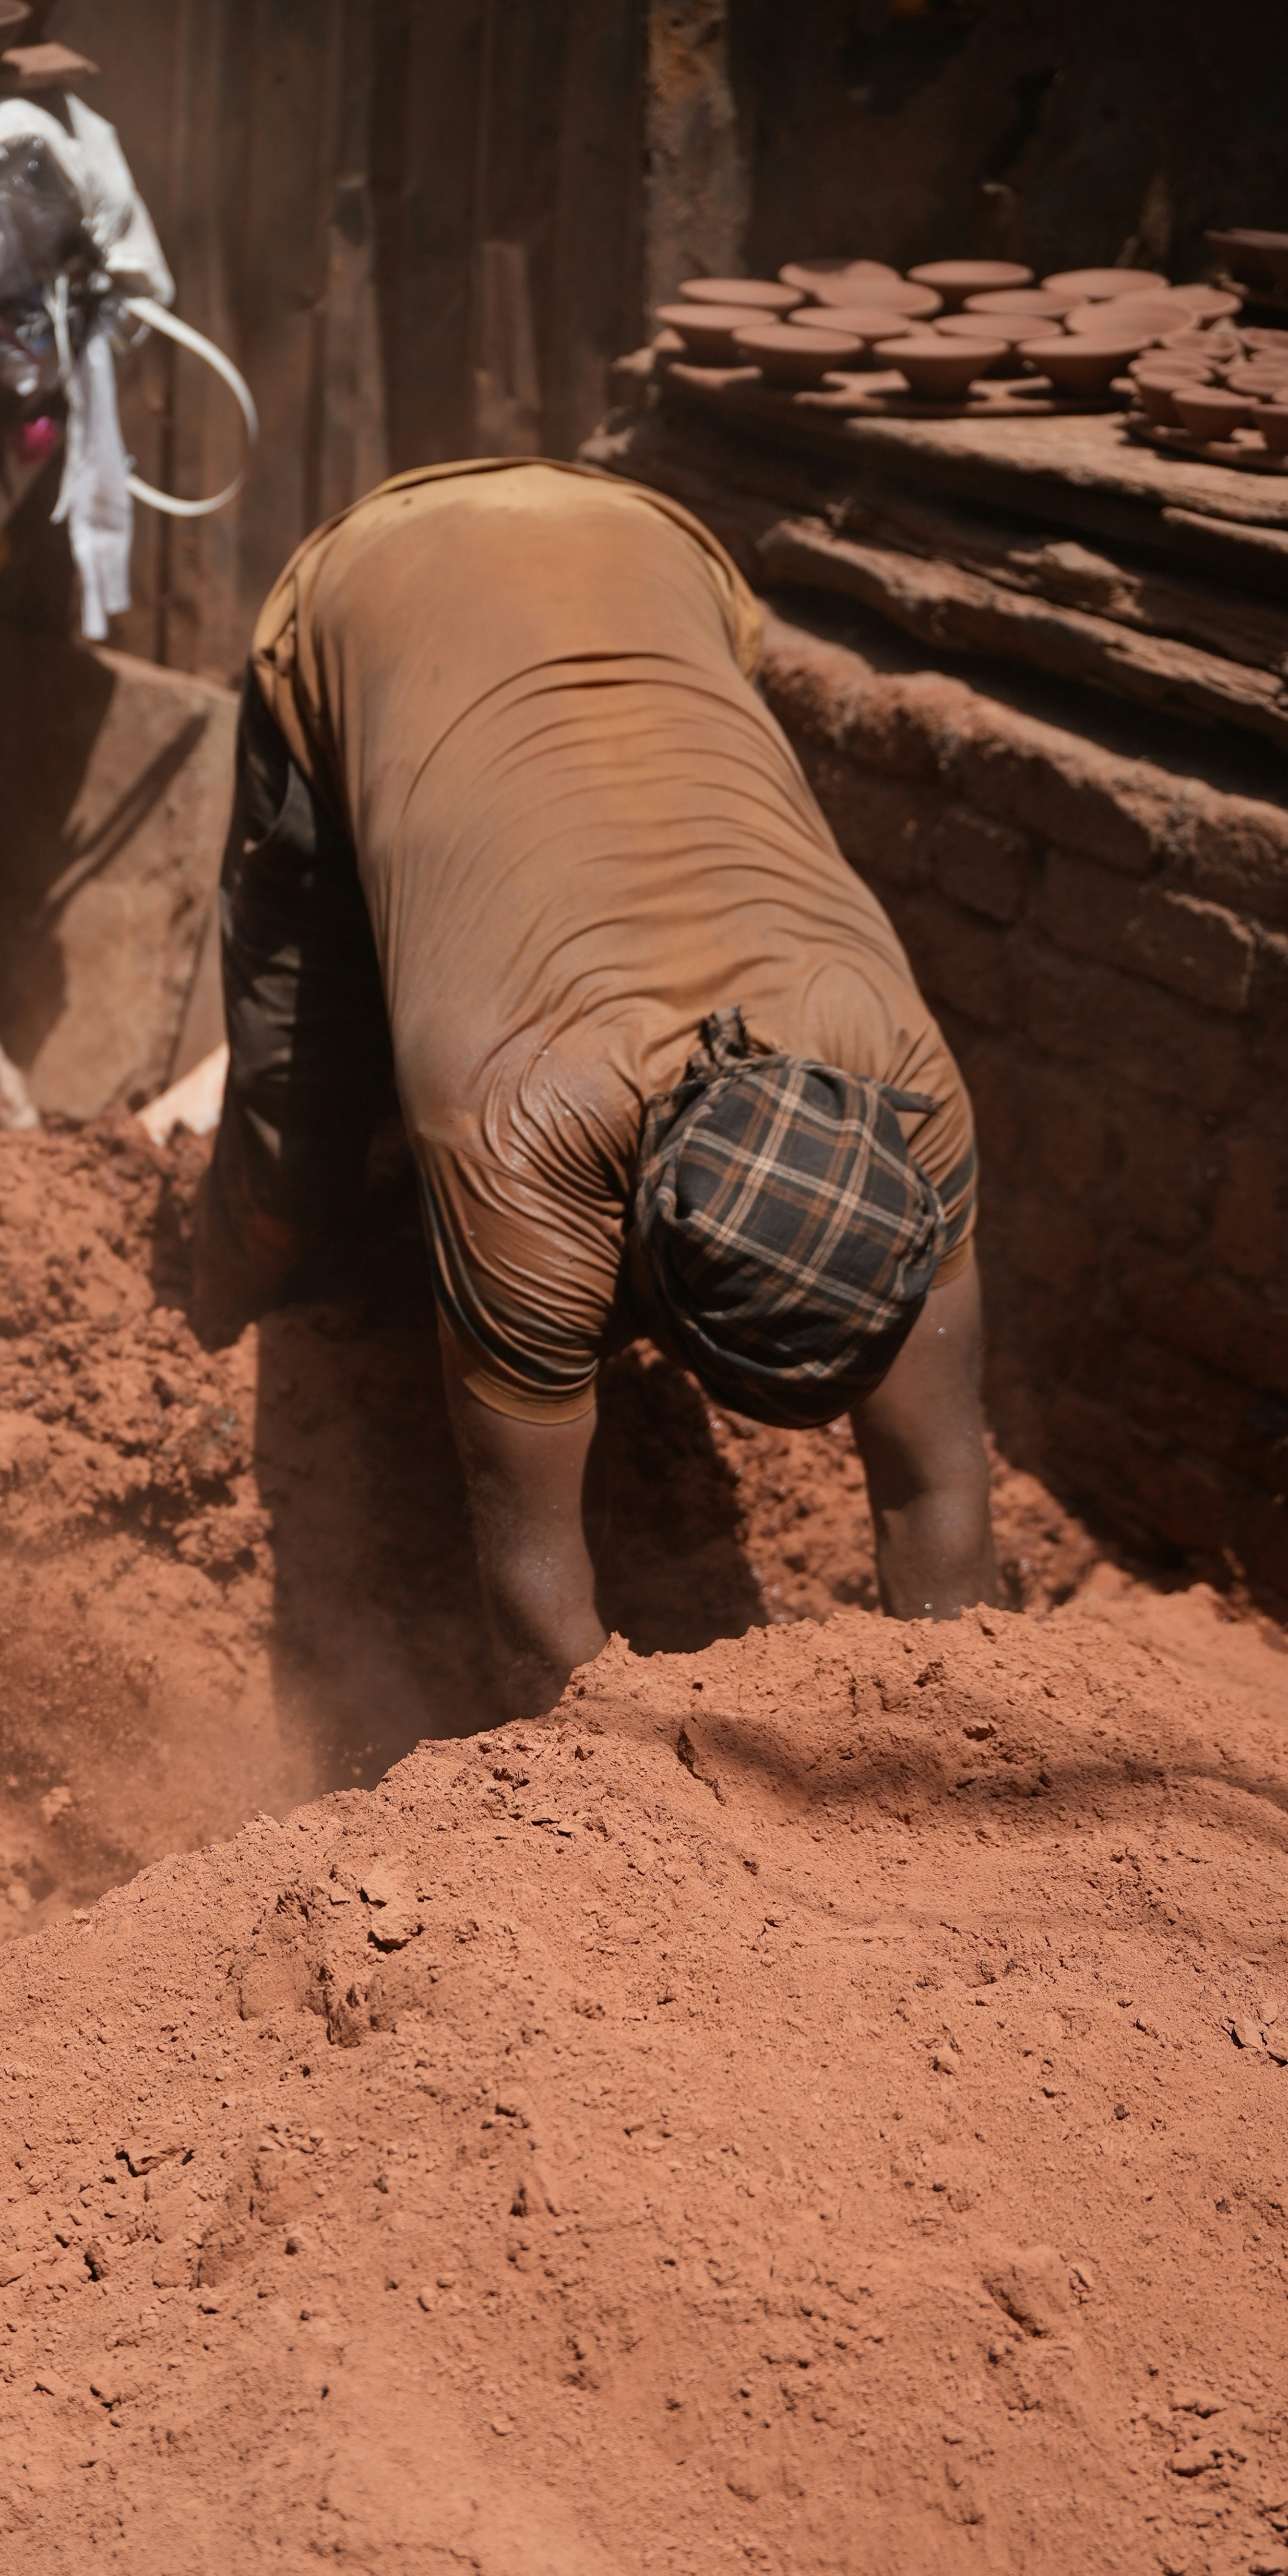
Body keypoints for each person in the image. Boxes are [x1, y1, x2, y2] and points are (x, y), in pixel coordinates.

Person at [193, 457, 997, 1707]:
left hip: (655, 558)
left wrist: (956, 1740)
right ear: (639, 1282)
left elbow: (943, 1498)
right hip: (379, 581)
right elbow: (532, 1620)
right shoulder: (515, 1137)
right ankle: (201, 1323)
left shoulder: (907, 1088)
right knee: (296, 1138)